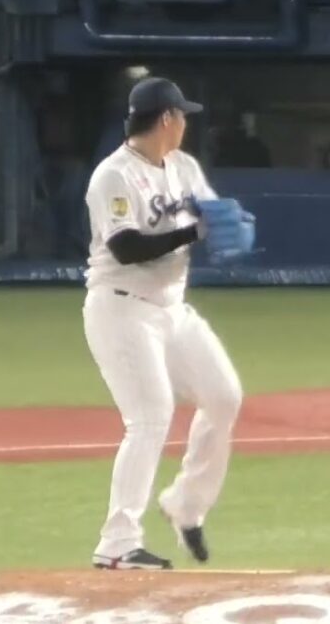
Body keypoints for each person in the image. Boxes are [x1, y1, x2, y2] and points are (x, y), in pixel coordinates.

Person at [83, 77, 256, 570]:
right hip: (121, 308)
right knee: (150, 416)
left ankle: (186, 504)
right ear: (166, 119)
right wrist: (194, 232)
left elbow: (211, 215)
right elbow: (127, 247)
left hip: (172, 310)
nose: (185, 124)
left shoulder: (183, 167)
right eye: (182, 116)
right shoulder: (113, 176)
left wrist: (228, 224)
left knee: (223, 396)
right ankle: (117, 543)